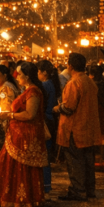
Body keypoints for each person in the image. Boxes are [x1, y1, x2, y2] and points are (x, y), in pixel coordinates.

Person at [0, 62, 47, 207]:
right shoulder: (26, 90)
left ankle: (22, 200)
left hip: (26, 135)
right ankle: (8, 198)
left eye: (19, 74)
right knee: (7, 163)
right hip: (16, 133)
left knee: (20, 168)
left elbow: (30, 114)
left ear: (27, 76)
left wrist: (9, 115)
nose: (17, 77)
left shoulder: (33, 91)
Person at [55, 53, 99, 201]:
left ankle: (77, 190)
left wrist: (57, 108)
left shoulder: (74, 83)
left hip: (74, 129)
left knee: (75, 161)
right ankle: (89, 190)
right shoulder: (89, 82)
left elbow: (68, 108)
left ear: (70, 66)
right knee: (88, 161)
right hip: (89, 128)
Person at [37, 60, 61, 192]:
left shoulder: (45, 85)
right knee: (46, 154)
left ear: (44, 72)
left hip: (46, 120)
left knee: (43, 155)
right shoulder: (52, 83)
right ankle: (46, 185)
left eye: (38, 72)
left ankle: (44, 185)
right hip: (51, 120)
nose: (37, 75)